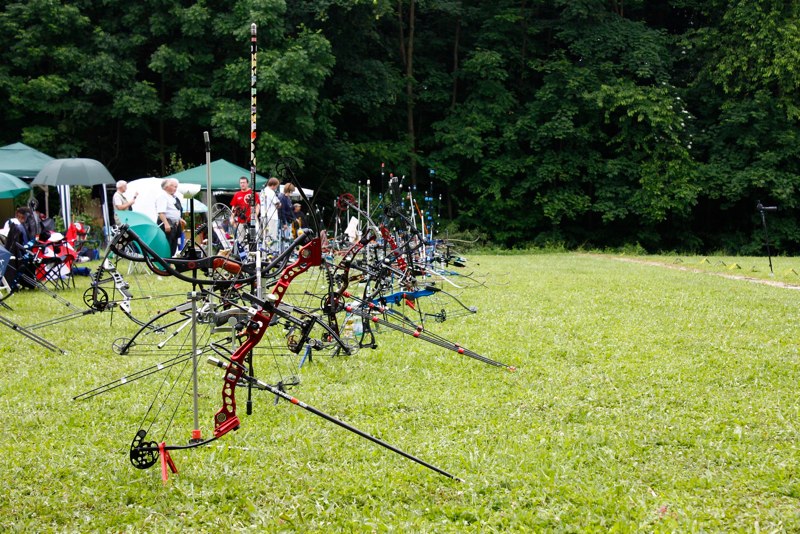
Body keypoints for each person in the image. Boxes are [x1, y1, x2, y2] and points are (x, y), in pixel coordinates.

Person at [155, 178, 184, 255]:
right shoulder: (162, 196)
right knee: (166, 245)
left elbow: (174, 210)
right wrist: (166, 224)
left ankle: (170, 260)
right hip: (166, 224)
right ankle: (164, 261)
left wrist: (179, 219)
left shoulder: (173, 197)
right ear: (166, 187)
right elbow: (161, 212)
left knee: (173, 246)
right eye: (173, 186)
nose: (175, 188)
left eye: (176, 186)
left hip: (174, 225)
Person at [230, 176, 260, 245]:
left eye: (244, 182)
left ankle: (252, 251)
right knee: (240, 241)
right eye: (241, 183)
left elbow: (257, 206)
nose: (242, 184)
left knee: (253, 239)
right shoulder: (237, 194)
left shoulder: (253, 193)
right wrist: (232, 218)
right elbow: (234, 207)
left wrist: (255, 215)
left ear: (247, 183)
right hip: (241, 221)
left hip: (252, 221)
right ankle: (242, 252)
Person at [260, 177, 281, 248]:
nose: (276, 188)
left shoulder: (263, 191)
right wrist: (279, 204)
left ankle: (264, 251)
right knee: (272, 236)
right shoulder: (271, 192)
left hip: (263, 215)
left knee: (265, 236)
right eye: (276, 186)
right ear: (273, 185)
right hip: (271, 216)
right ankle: (272, 252)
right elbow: (277, 203)